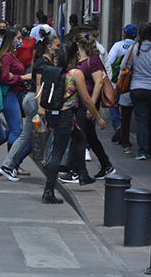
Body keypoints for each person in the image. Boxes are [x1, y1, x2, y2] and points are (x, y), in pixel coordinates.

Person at [38, 41, 105, 203]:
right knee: (57, 153)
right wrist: (99, 117)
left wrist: (47, 117)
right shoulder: (76, 73)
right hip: (65, 117)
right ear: (76, 54)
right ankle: (48, 191)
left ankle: (82, 173)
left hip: (54, 115)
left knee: (80, 136)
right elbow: (86, 100)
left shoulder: (54, 70)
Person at [0, 35, 60, 181]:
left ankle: (8, 165)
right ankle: (12, 165)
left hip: (33, 100)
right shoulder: (43, 63)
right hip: (34, 101)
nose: (58, 48)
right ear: (49, 47)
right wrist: (41, 107)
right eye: (57, 45)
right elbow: (39, 85)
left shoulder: (46, 61)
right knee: (36, 136)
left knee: (26, 136)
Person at [73, 34, 116, 179]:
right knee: (90, 136)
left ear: (78, 44)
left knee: (79, 135)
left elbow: (99, 83)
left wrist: (91, 106)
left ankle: (77, 171)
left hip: (88, 101)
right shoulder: (80, 59)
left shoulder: (94, 60)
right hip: (81, 102)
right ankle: (106, 165)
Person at [122, 23, 151, 161]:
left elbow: (123, 66)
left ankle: (142, 150)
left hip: (136, 88)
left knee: (141, 120)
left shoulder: (133, 48)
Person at [0, 29, 31, 158]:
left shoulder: (12, 55)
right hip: (10, 95)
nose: (20, 40)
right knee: (17, 129)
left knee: (13, 129)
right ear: (12, 40)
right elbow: (5, 77)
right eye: (18, 37)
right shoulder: (7, 56)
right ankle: (11, 162)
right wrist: (22, 77)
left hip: (15, 94)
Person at [108, 24, 138, 151]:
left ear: (125, 34)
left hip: (117, 82)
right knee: (127, 109)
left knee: (112, 103)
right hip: (132, 83)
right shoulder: (136, 47)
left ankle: (117, 124)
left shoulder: (118, 45)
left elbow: (109, 61)